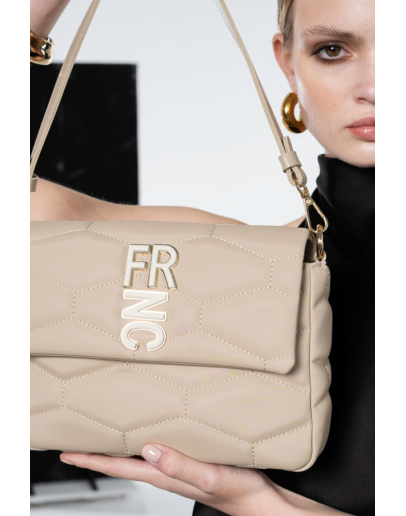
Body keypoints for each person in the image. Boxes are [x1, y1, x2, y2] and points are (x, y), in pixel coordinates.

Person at [31, 0, 375, 514]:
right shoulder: (251, 265)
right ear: (288, 64)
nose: (374, 88)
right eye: (332, 50)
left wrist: (252, 501)